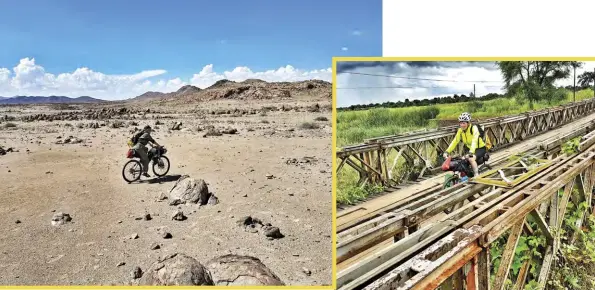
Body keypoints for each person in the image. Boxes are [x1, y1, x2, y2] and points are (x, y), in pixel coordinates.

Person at [442, 112, 489, 178]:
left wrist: (471, 152)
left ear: (468, 123)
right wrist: (447, 151)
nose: (462, 125)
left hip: (480, 148)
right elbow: (455, 141)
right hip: (470, 149)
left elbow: (474, 140)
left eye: (464, 123)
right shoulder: (460, 130)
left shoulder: (473, 128)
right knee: (461, 161)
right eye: (460, 123)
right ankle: (466, 175)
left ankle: (476, 175)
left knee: (471, 159)